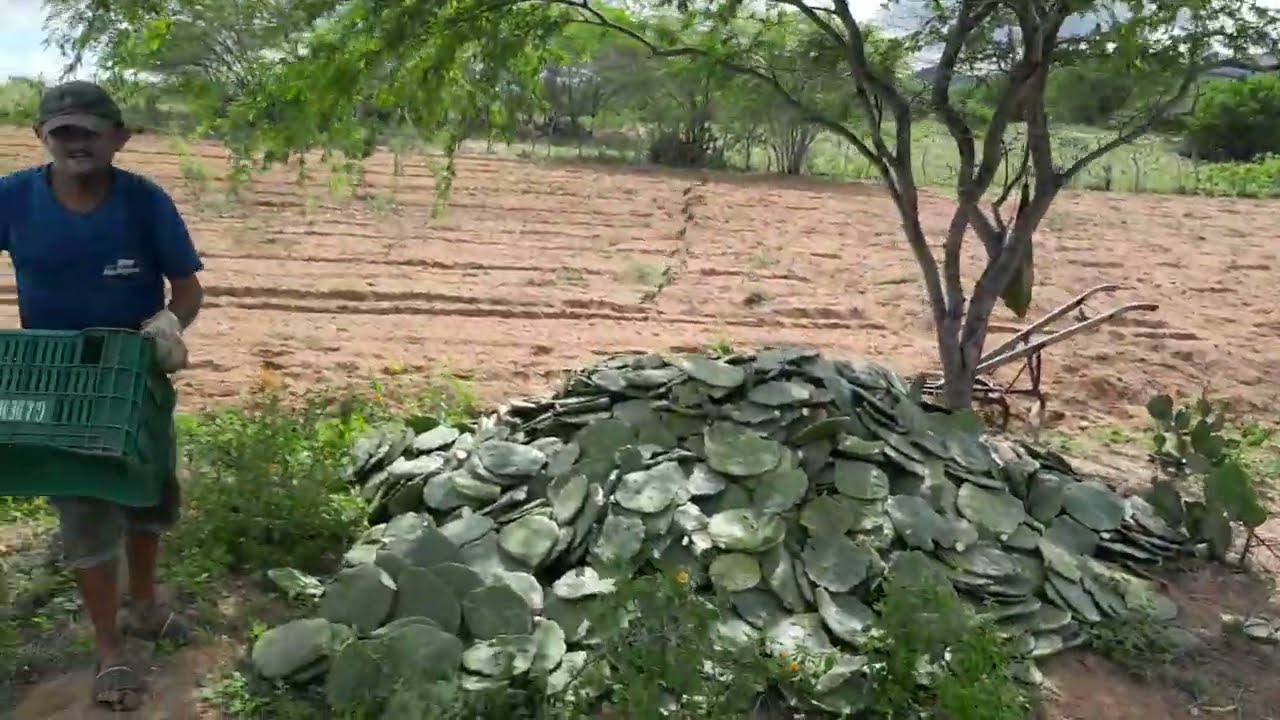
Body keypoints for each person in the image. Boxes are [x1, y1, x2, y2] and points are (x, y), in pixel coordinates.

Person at [0, 80, 204, 711]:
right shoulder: (12, 199)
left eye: (90, 131)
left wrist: (169, 326)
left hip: (134, 375)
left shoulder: (144, 203)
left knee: (146, 496)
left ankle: (144, 605)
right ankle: (110, 648)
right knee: (86, 513)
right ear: (42, 138)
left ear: (118, 137)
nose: (76, 143)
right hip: (57, 379)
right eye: (63, 132)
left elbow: (186, 288)